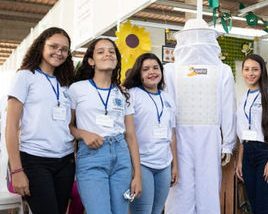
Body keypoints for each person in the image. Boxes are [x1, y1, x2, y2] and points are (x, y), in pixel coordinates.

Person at [164, 18, 236, 214]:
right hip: (179, 135)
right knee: (179, 187)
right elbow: (167, 108)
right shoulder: (169, 70)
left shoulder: (223, 71)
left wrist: (228, 143)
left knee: (209, 187)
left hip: (210, 135)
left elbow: (229, 108)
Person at [6, 27, 75, 214]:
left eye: (64, 49)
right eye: (54, 46)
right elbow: (11, 126)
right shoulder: (26, 76)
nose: (59, 53)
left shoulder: (67, 83)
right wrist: (17, 170)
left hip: (65, 162)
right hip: (35, 161)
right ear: (40, 46)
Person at [69, 38, 142, 214]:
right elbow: (68, 126)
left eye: (111, 51)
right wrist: (82, 134)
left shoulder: (124, 93)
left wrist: (137, 174)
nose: (107, 54)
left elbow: (131, 135)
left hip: (121, 156)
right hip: (91, 156)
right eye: (101, 51)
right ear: (91, 61)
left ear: (116, 59)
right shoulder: (77, 89)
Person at [123, 53, 178, 214]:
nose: (151, 72)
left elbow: (171, 134)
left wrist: (174, 164)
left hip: (164, 164)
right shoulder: (132, 95)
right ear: (139, 74)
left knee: (157, 210)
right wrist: (134, 169)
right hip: (142, 163)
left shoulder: (167, 98)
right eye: (145, 69)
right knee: (142, 211)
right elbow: (128, 133)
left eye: (155, 68)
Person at [235, 54, 268, 214]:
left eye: (255, 69)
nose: (251, 73)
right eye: (247, 69)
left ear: (262, 71)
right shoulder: (242, 99)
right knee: (255, 207)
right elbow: (243, 136)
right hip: (248, 155)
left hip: (266, 152)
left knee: (263, 206)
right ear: (242, 72)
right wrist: (240, 162)